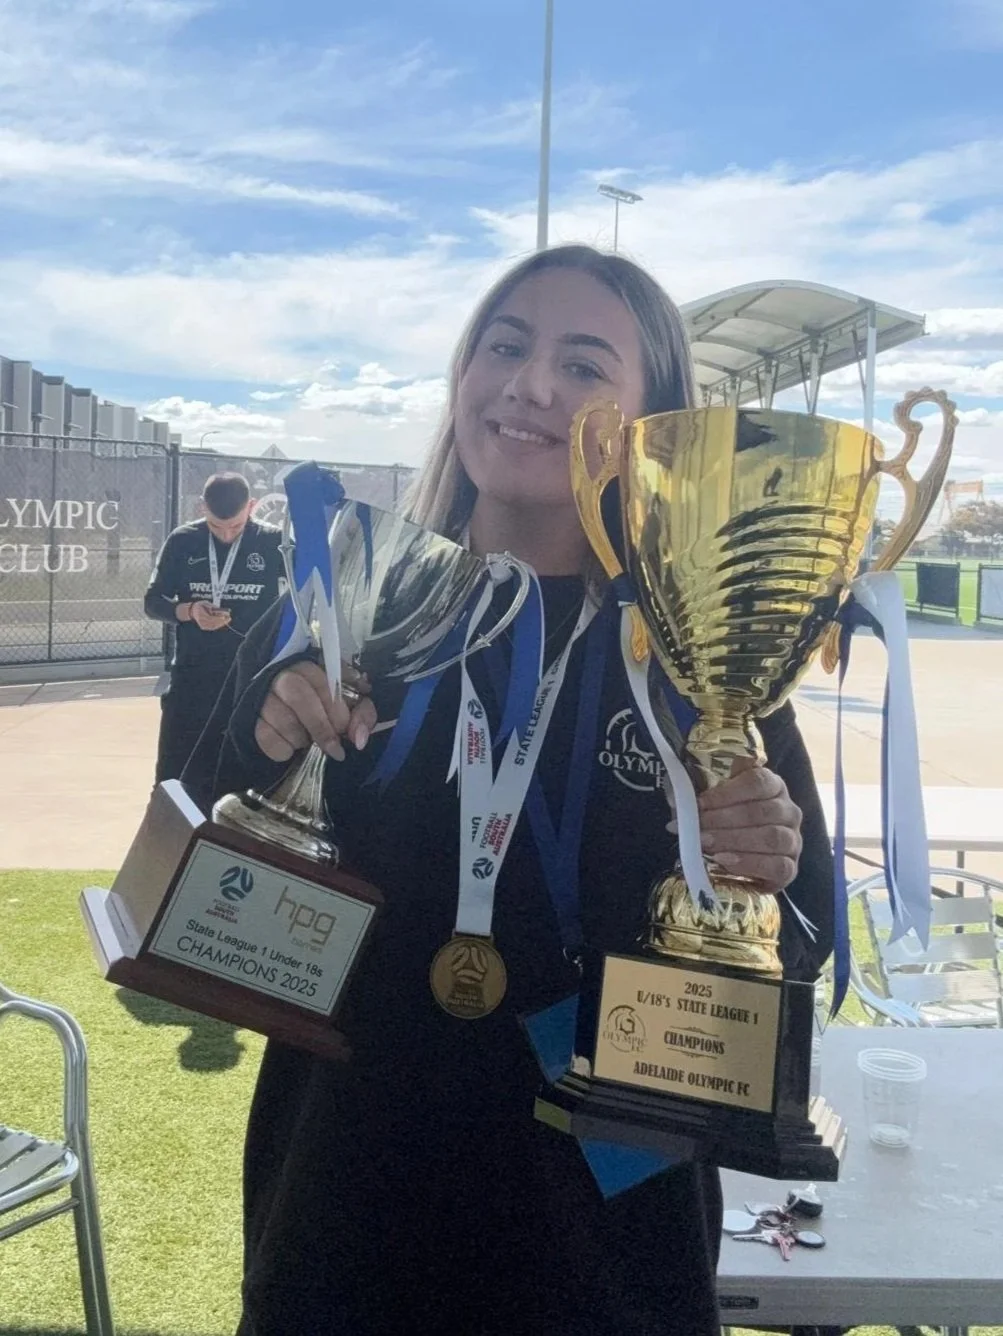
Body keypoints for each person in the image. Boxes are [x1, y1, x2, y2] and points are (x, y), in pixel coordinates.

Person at [183, 245, 834, 1336]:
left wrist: (764, 867)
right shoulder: (352, 609)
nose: (531, 384)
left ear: (649, 420)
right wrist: (266, 731)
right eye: (505, 344)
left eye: (585, 365)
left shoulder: (693, 657)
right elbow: (208, 838)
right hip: (343, 1210)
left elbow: (799, 940)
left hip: (602, 1248)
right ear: (461, 377)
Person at [144, 471, 284, 784]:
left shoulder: (276, 543)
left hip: (250, 679)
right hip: (192, 676)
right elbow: (153, 602)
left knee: (239, 777)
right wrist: (190, 610)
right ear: (202, 508)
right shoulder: (183, 540)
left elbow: (306, 600)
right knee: (172, 777)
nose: (226, 536)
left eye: (235, 526)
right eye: (215, 527)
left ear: (252, 506)